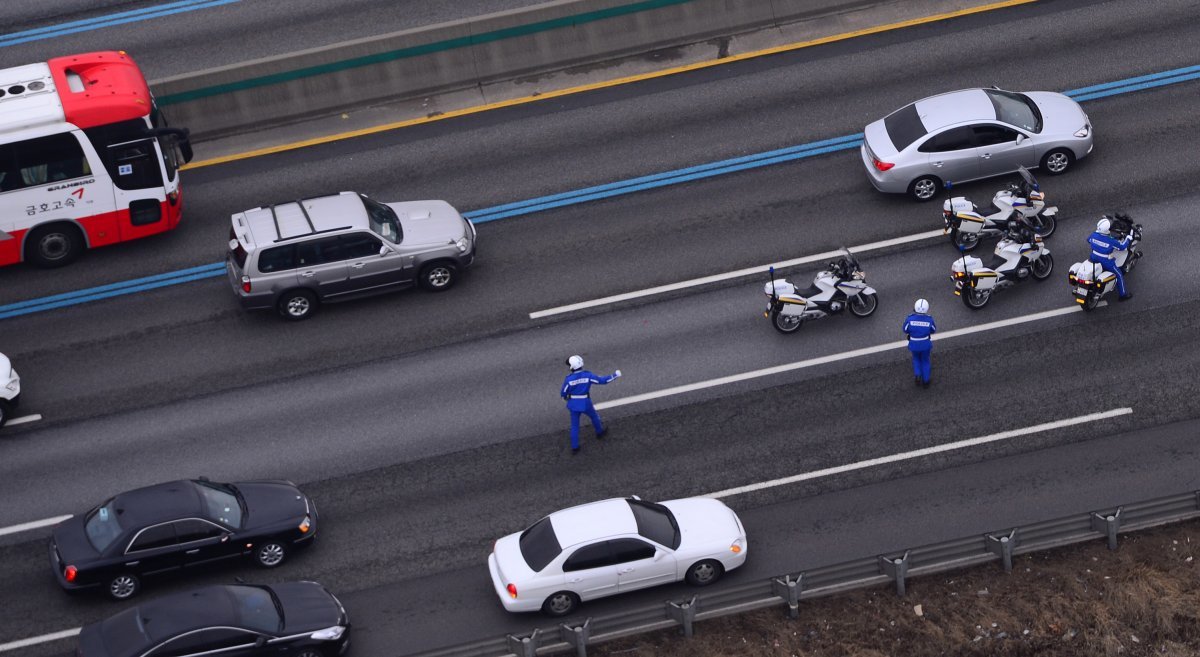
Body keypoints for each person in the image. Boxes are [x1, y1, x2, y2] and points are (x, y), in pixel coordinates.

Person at [560, 355, 621, 454]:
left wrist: (566, 399)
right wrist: (615, 375)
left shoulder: (569, 379)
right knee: (594, 417)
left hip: (573, 404)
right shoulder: (588, 375)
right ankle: (599, 433)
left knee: (574, 426)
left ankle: (575, 447)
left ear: (571, 367)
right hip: (585, 403)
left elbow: (563, 393)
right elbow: (602, 381)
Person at [1088, 216, 1133, 301]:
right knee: (1119, 274)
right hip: (1106, 261)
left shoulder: (1093, 235)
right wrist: (1128, 239)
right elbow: (1122, 247)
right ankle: (1123, 295)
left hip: (1093, 257)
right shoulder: (1111, 241)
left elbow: (1089, 240)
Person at [903, 299, 937, 388]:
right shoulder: (929, 320)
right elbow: (933, 330)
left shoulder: (909, 319)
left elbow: (905, 329)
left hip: (914, 344)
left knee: (916, 359)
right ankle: (926, 381)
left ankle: (917, 375)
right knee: (925, 361)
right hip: (925, 344)